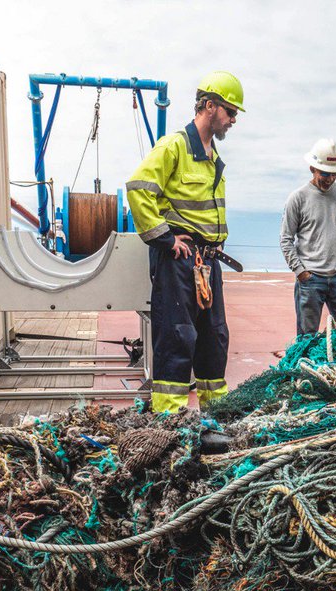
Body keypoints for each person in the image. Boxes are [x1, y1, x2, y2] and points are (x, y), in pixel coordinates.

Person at [125, 71, 243, 413]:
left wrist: (214, 244)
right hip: (179, 262)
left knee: (214, 337)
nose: (233, 120)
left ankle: (215, 411)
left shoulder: (213, 158)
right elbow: (138, 189)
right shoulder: (174, 146)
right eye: (230, 111)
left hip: (208, 262)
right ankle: (170, 416)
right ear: (209, 106)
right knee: (177, 336)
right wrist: (164, 237)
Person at [279, 139, 336, 335]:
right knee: (307, 337)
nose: (330, 179)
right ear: (312, 168)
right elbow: (286, 239)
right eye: (325, 173)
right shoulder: (298, 198)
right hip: (310, 280)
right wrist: (300, 271)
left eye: (334, 174)